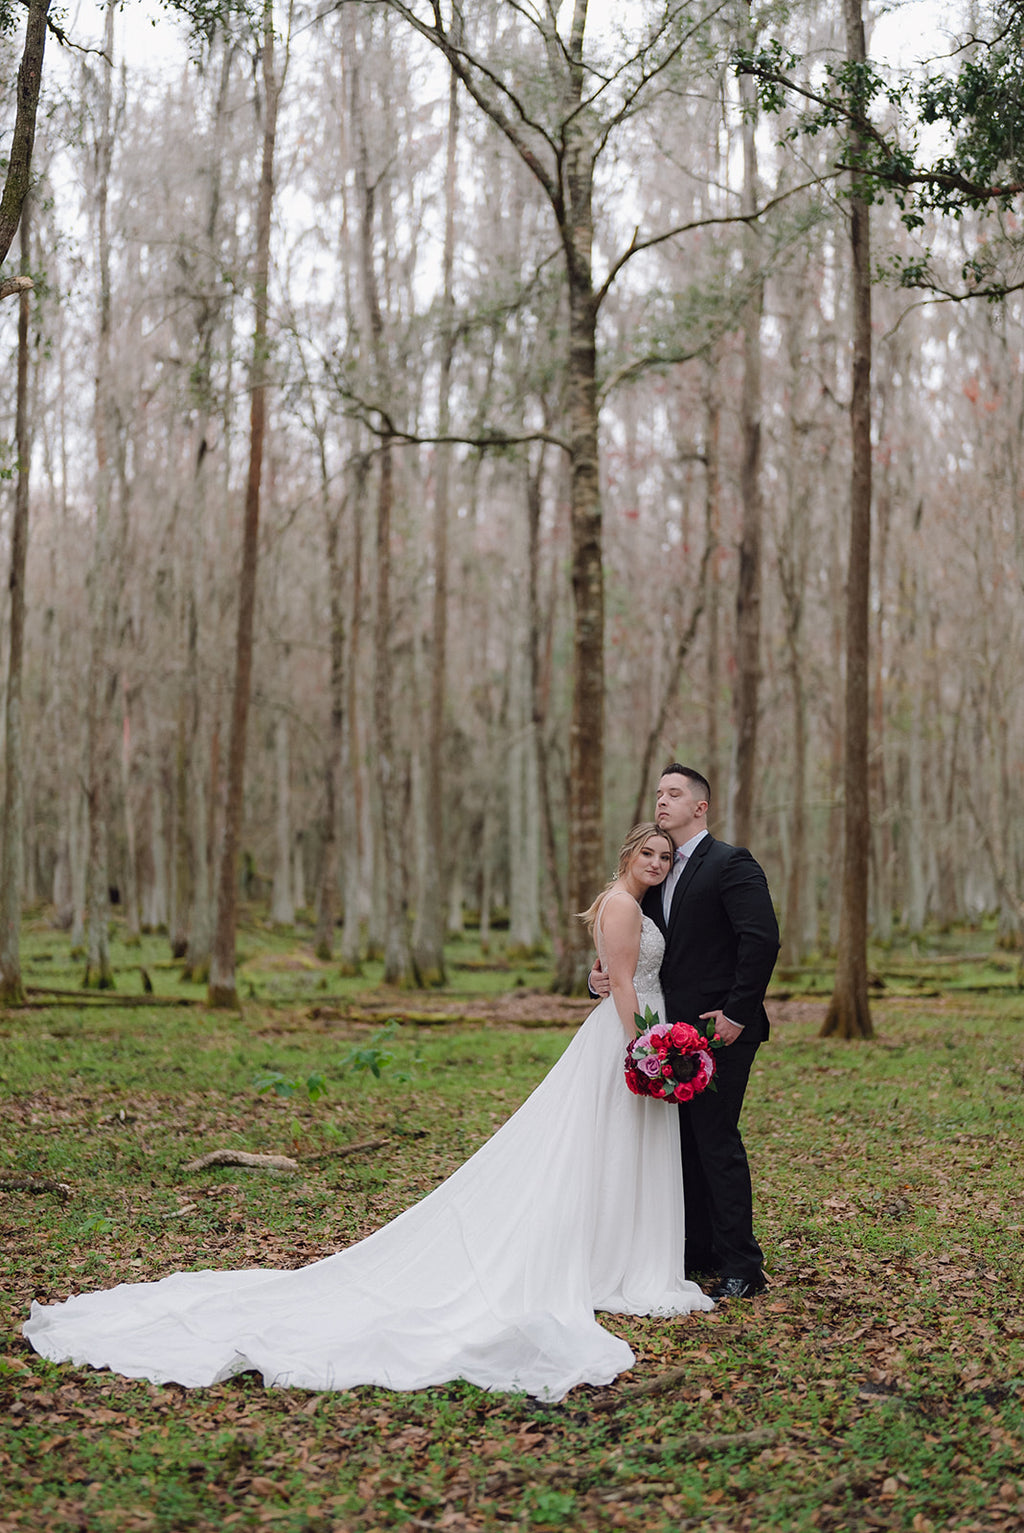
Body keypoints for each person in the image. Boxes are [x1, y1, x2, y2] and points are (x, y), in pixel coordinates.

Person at [24, 823, 711, 1403]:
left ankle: (616, 1257)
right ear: (628, 854)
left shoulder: (629, 904)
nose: (656, 862)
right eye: (647, 853)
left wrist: (631, 1017)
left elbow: (611, 975)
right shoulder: (622, 905)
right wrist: (643, 1047)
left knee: (611, 1151)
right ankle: (608, 1262)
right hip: (628, 1034)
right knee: (598, 1147)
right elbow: (623, 984)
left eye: (664, 856)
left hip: (635, 1028)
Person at [591, 766, 779, 1300]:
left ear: (700, 807)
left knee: (716, 1142)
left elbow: (761, 939)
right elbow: (632, 949)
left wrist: (736, 1014)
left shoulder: (731, 863)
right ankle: (697, 1251)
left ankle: (743, 1266)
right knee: (681, 1145)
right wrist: (596, 977)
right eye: (658, 793)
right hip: (666, 1032)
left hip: (721, 1031)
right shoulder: (656, 872)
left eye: (674, 794)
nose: (662, 801)